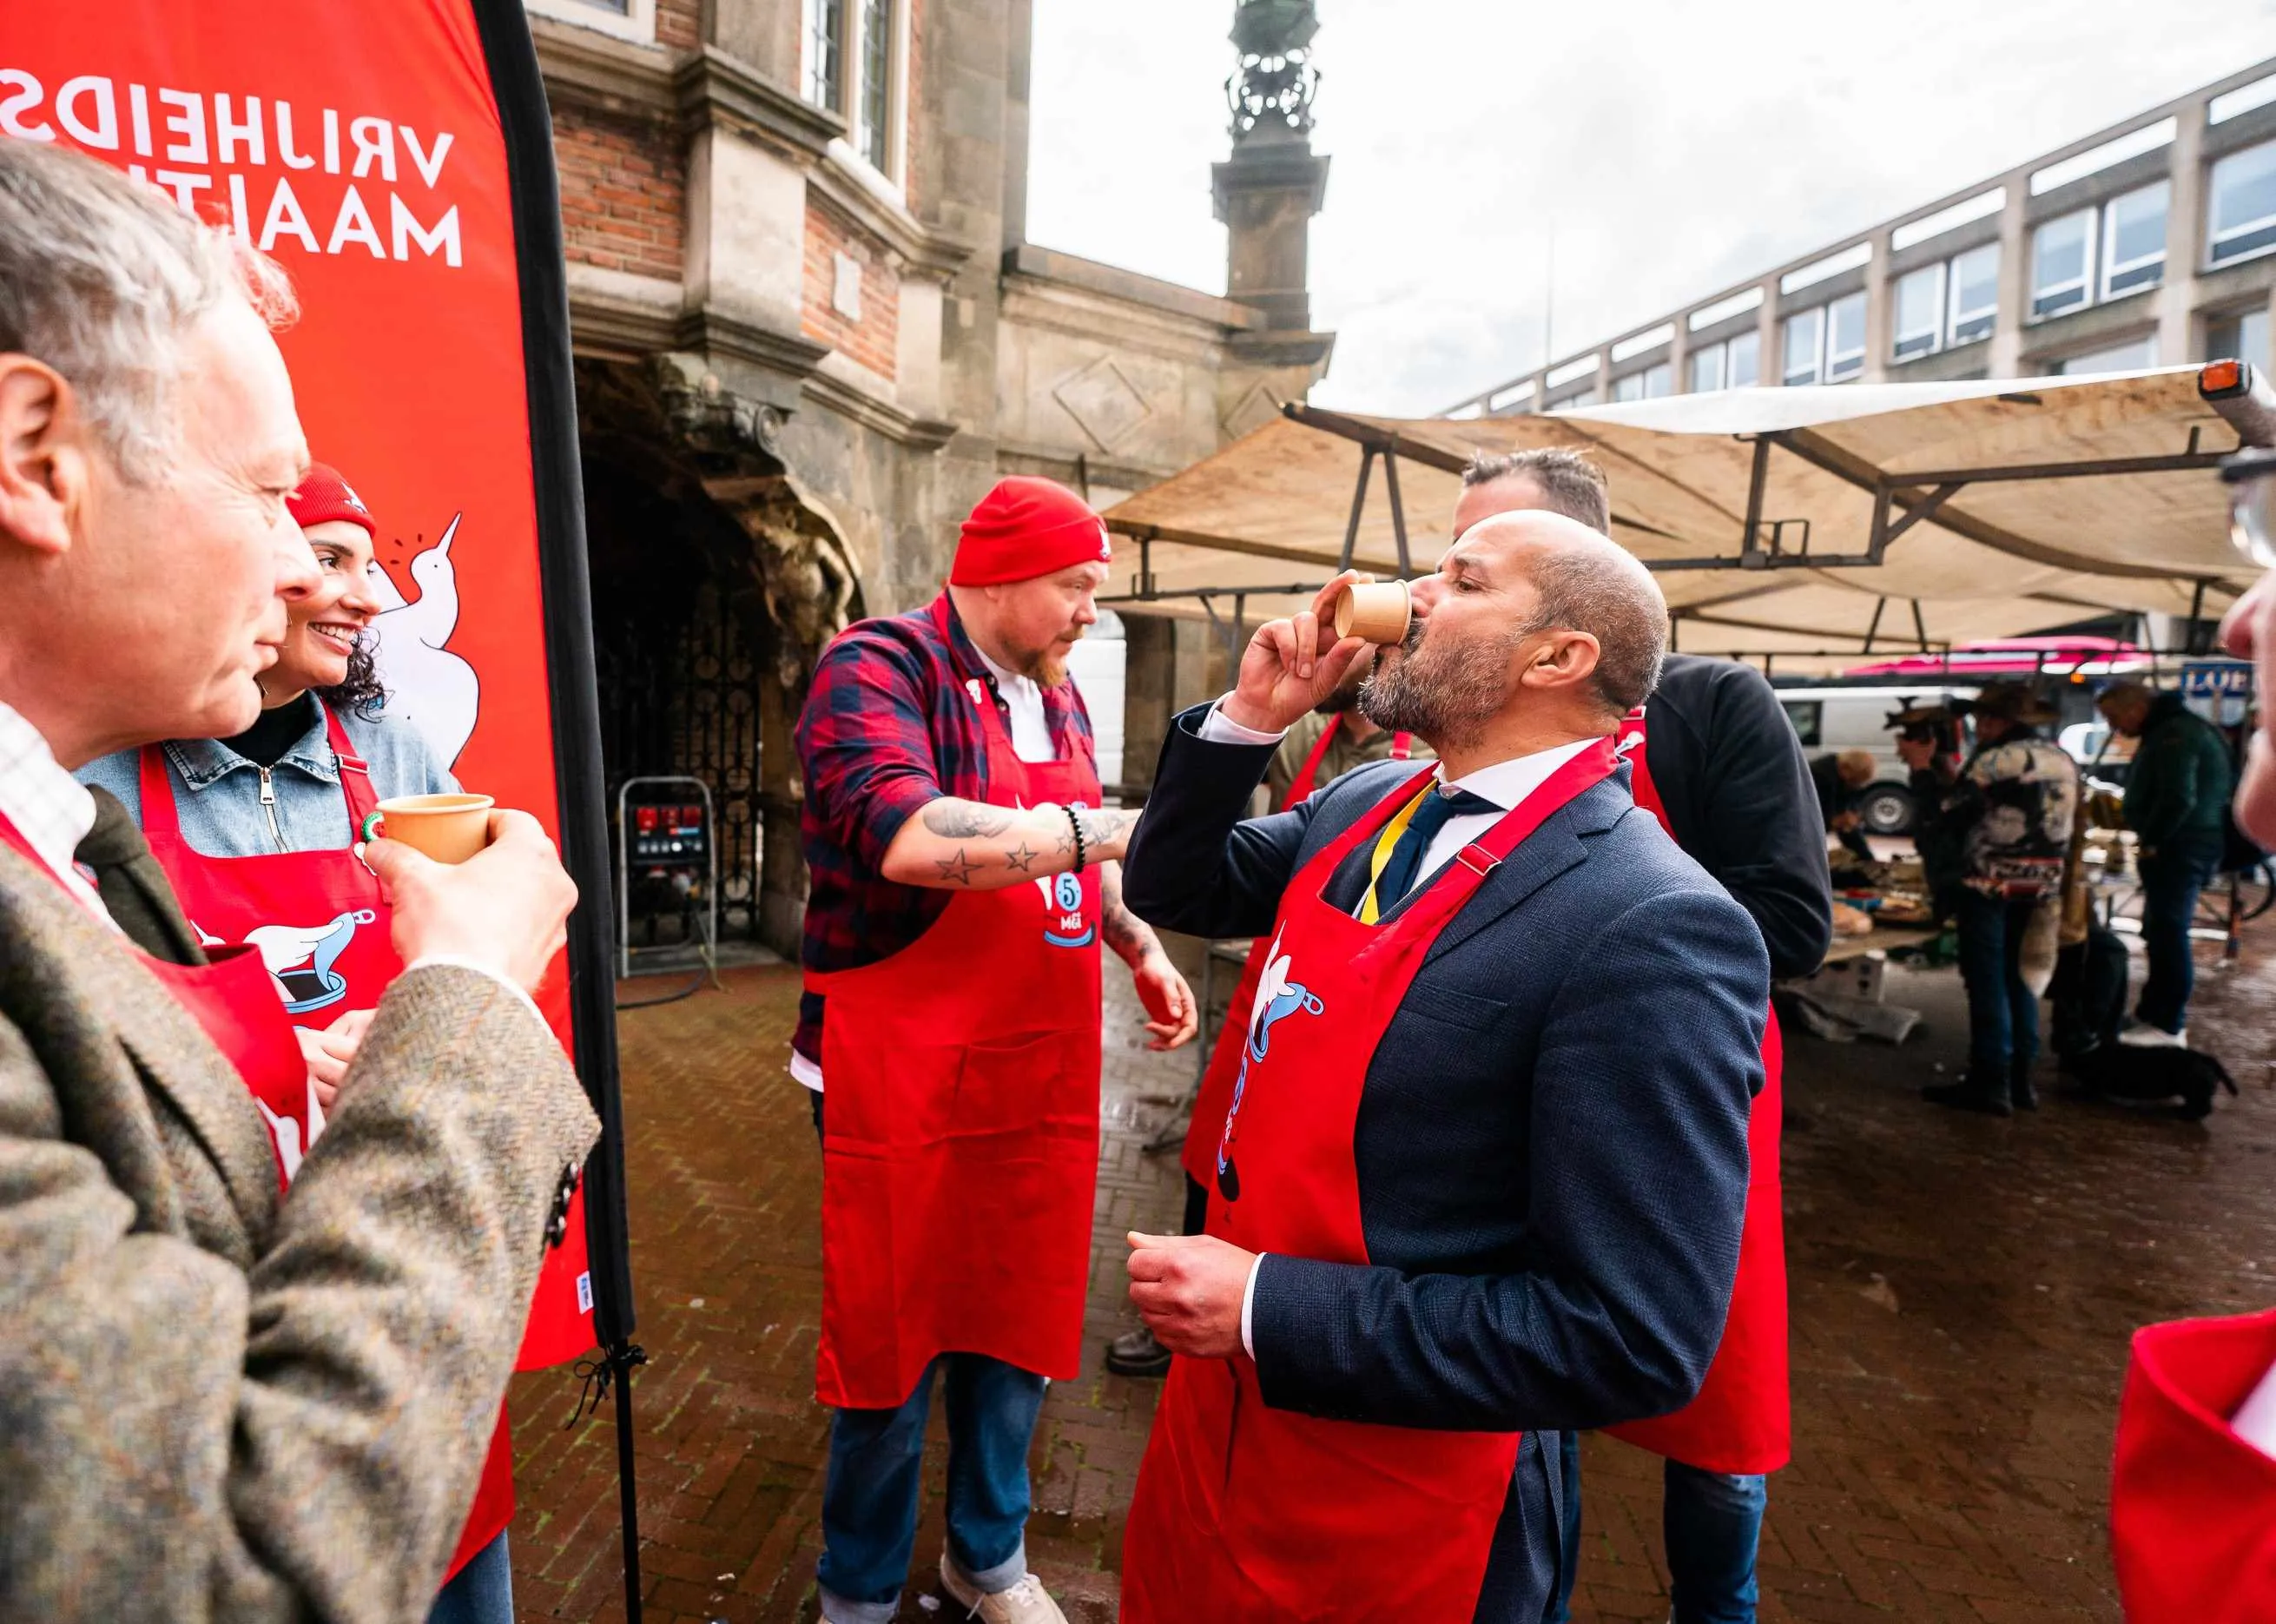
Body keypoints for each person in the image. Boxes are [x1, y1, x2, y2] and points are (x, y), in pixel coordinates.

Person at [0, 138, 595, 1621]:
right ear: (33, 454)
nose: (302, 575)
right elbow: (228, 1570)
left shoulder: (63, 835)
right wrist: (465, 1013)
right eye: (269, 496)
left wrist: (287, 1090)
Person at [1114, 507, 1767, 1621]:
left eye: (1460, 580)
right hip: (1223, 1439)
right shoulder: (1376, 800)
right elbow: (1179, 885)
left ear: (1557, 658)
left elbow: (1631, 1337)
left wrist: (1269, 1306)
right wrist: (1244, 720)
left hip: (1406, 1502)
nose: (1408, 595)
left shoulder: (1649, 921)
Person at [76, 465, 515, 1624]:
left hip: (391, 1218)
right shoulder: (100, 779)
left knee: (444, 1516)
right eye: (331, 557)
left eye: (371, 564)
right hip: (217, 1243)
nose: (368, 595)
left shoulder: (396, 750)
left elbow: (469, 941)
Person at [792, 475, 1197, 1624]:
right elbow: (909, 838)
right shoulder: (879, 665)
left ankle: (989, 1555)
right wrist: (1106, 829)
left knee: (1016, 1316)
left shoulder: (1057, 694)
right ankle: (858, 1585)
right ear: (1001, 570)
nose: (1088, 611)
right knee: (893, 1327)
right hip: (900, 1064)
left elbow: (1076, 848)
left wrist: (1136, 940)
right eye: (1074, 585)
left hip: (1038, 1062)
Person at [1457, 447, 1831, 1624]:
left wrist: (1588, 952)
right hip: (1507, 1100)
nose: (1455, 583)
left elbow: (1791, 921)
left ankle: (1713, 1610)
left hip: (1683, 1100)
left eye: (1489, 557)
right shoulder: (1470, 724)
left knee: (1712, 1404)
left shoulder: (1713, 703)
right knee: (1513, 1366)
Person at [1104, 651, 1428, 1380]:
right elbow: (1181, 870)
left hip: (1352, 999)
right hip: (1273, 966)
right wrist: (1248, 715)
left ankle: (1264, 1322)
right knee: (1214, 1151)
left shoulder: (1419, 760)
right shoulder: (1322, 745)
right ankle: (1185, 1313)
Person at [2107, 448, 2276, 1613]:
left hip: (2171, 871)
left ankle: (2163, 1021)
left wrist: (2165, 841)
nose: (2240, 620)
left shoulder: (2172, 740)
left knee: (2165, 945)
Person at [1906, 680, 2079, 1115]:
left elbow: (1946, 815)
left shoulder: (1998, 760)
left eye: (1982, 718)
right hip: (2040, 887)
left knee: (1987, 981)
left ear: (1996, 721)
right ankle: (2022, 1081)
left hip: (1988, 885)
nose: (1977, 726)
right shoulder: (2061, 758)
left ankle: (1990, 1081)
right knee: (2020, 978)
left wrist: (1923, 770)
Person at [2098, 678, 2235, 1046]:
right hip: (2185, 842)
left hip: (2182, 845)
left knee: (2168, 932)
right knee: (2161, 932)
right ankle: (2154, 1014)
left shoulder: (2176, 733)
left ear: (2136, 708)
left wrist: (2155, 839)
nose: (2114, 728)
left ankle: (2166, 1023)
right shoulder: (2173, 728)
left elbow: (2178, 796)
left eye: (2115, 717)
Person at [1811, 749, 1880, 864]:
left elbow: (1847, 827)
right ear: (1845, 768)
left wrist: (1868, 860)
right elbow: (1810, 821)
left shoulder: (1842, 779)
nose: (1855, 786)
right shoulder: (1820, 777)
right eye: (1854, 781)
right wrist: (1835, 822)